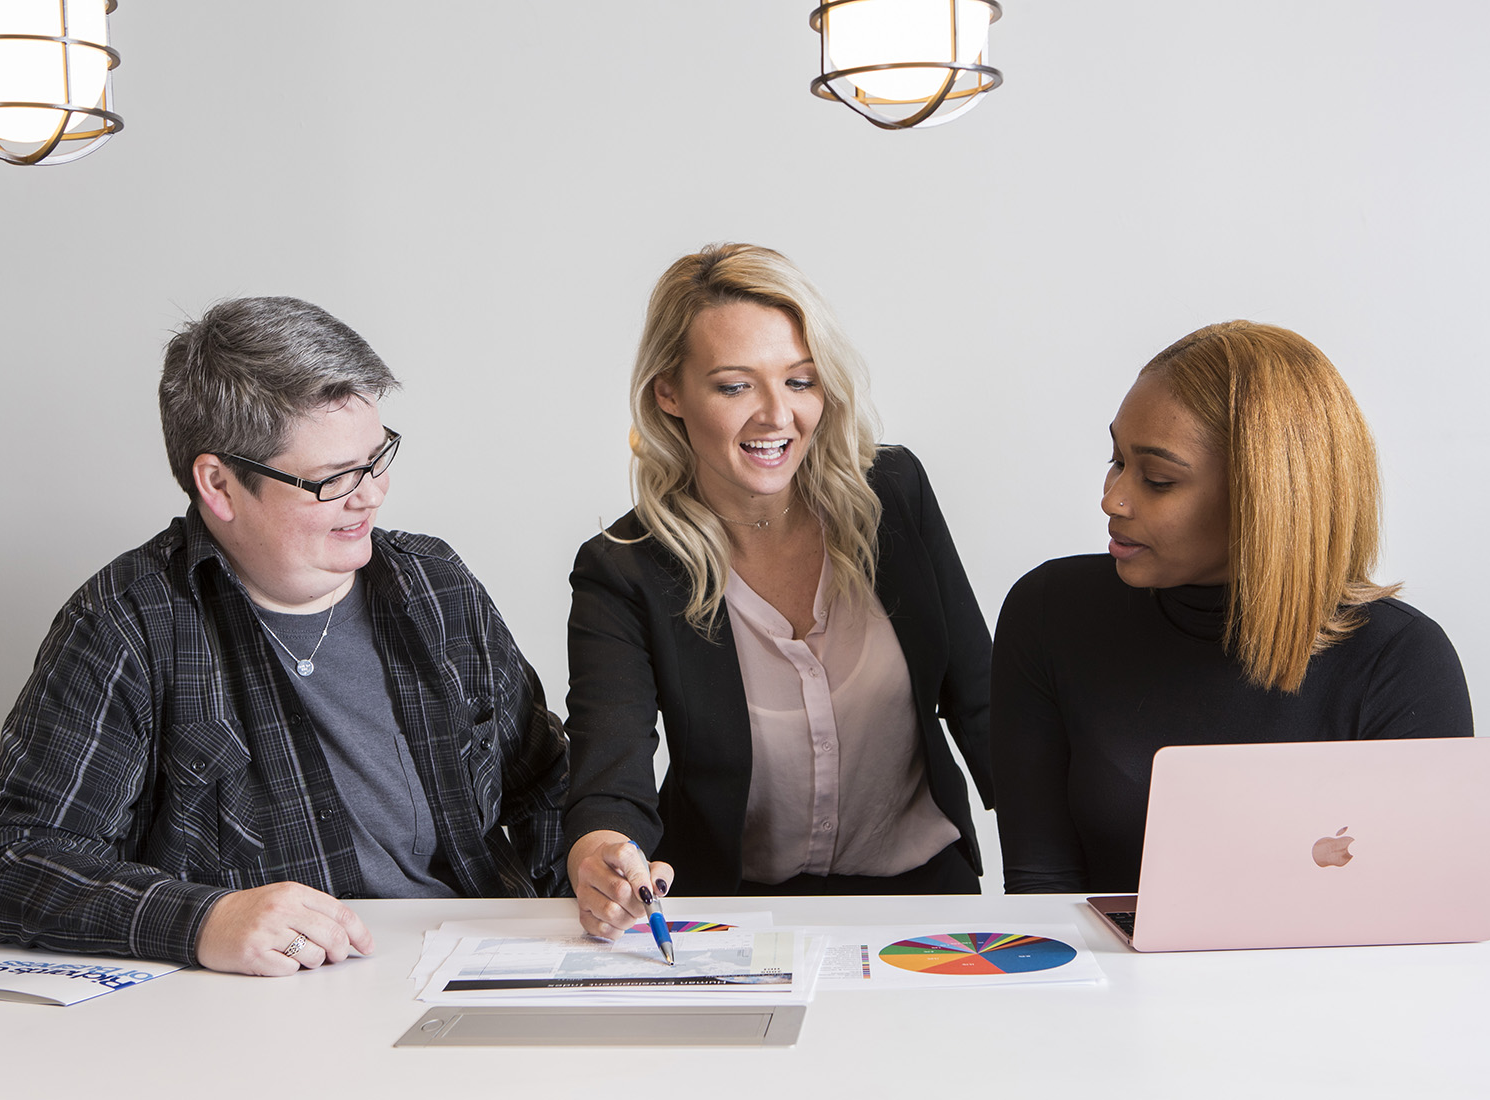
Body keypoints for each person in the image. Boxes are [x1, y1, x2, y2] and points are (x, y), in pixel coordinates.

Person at [0, 297, 568, 974]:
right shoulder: (126, 623)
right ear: (220, 487)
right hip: (268, 1005)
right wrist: (202, 919)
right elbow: (12, 859)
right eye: (333, 479)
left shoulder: (435, 586)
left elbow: (549, 783)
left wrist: (596, 866)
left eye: (377, 457)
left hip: (469, 969)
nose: (372, 495)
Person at [564, 243, 994, 938]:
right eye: (735, 386)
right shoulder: (625, 569)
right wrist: (603, 858)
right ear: (668, 391)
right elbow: (609, 773)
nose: (776, 416)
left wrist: (1059, 882)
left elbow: (982, 701)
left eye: (800, 381)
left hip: (925, 905)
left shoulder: (895, 495)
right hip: (732, 918)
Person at [989, 320, 1474, 894]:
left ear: (1264, 498)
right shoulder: (1052, 613)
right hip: (1104, 982)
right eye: (1117, 459)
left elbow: (1423, 916)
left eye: (1159, 479)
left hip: (1327, 984)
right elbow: (1041, 892)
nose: (1112, 498)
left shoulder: (1401, 662)